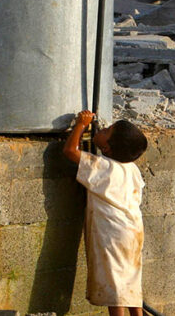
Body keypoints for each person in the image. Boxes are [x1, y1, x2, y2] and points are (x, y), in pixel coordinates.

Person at [63, 110, 149, 316]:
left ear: (106, 147)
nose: (102, 128)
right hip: (133, 230)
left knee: (115, 286)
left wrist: (81, 125)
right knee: (130, 281)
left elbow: (70, 151)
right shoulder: (131, 168)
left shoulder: (102, 166)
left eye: (107, 131)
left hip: (113, 233)